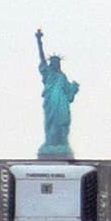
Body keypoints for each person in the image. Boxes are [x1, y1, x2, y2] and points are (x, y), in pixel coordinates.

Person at [35, 29, 79, 158]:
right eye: (53, 62)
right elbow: (42, 58)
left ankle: (62, 143)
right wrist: (39, 41)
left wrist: (74, 88)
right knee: (52, 123)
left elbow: (69, 93)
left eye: (57, 62)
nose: (55, 64)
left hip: (62, 102)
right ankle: (51, 143)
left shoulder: (62, 76)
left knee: (64, 121)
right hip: (51, 102)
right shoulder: (48, 73)